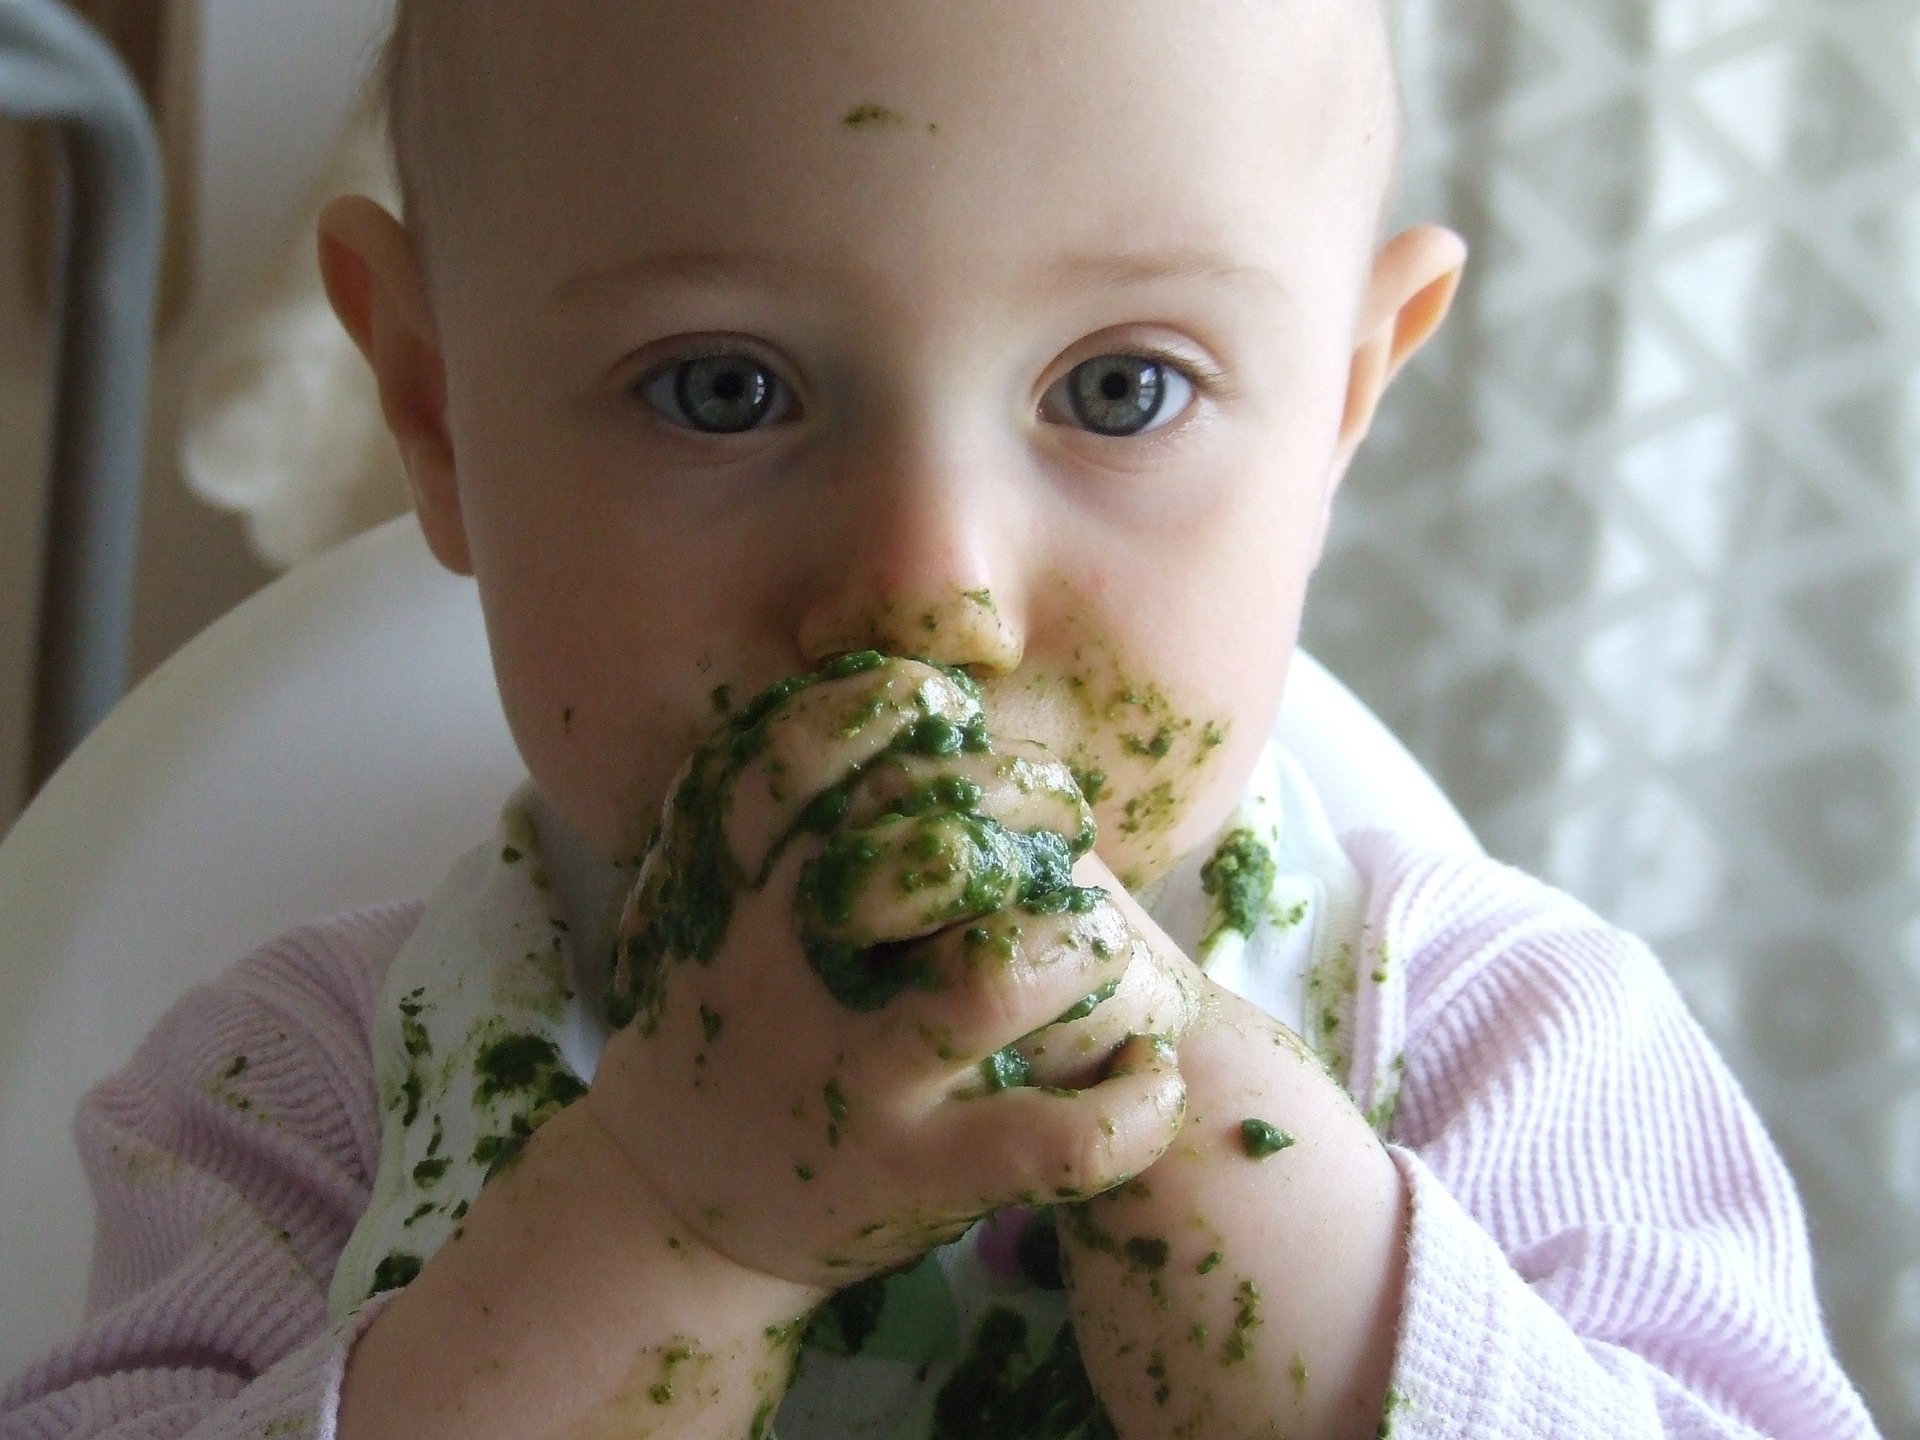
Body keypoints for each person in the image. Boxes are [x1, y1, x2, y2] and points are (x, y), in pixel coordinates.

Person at [0, 3, 1882, 1438]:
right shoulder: (282, 1108)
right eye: (725, 388)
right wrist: (662, 1222)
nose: (928, 588)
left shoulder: (1512, 1054)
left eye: (1125, 385)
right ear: (431, 406)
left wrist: (1250, 1208)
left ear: (1337, 416)